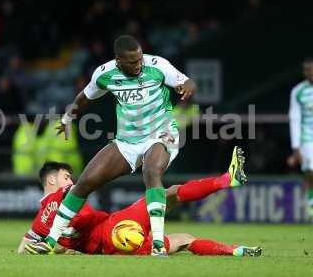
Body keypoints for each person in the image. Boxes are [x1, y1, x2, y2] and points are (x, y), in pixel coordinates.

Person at [44, 35, 197, 256]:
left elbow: (186, 81)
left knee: (151, 170)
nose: (138, 65)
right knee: (85, 182)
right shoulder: (105, 74)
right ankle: (49, 240)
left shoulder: (157, 65)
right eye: (133, 62)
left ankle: (157, 245)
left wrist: (187, 88)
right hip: (127, 141)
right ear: (119, 60)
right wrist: (67, 119)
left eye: (140, 59)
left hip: (162, 134)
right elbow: (84, 98)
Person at [19, 148, 261, 257]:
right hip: (116, 227)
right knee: (169, 193)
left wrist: (63, 248)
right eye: (65, 176)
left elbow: (24, 246)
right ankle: (226, 180)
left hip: (115, 248)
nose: (71, 180)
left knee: (185, 240)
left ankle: (236, 251)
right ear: (51, 179)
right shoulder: (65, 195)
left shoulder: (41, 221)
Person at [288, 58, 313, 217]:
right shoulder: (298, 91)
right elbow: (295, 118)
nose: (310, 73)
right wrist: (296, 147)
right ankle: (311, 201)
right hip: (307, 138)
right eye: (308, 71)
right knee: (310, 169)